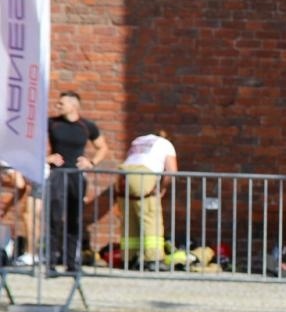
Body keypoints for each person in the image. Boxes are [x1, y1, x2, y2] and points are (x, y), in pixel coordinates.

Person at [47, 91, 109, 272]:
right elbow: (32, 142)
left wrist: (91, 162)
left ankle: (72, 263)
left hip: (76, 176)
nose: (57, 106)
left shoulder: (86, 126)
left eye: (61, 104)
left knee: (74, 218)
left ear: (73, 106)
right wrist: (46, 158)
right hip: (57, 174)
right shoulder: (52, 123)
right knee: (54, 217)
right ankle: (50, 262)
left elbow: (102, 147)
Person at [118, 131, 178, 267]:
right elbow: (171, 172)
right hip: (142, 175)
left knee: (129, 219)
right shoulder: (166, 144)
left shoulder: (139, 139)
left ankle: (128, 258)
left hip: (122, 175)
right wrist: (162, 188)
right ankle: (153, 259)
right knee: (151, 217)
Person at [0, 164, 39, 267]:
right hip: (6, 209)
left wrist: (7, 171)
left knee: (4, 244)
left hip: (10, 210)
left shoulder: (10, 165)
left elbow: (19, 184)